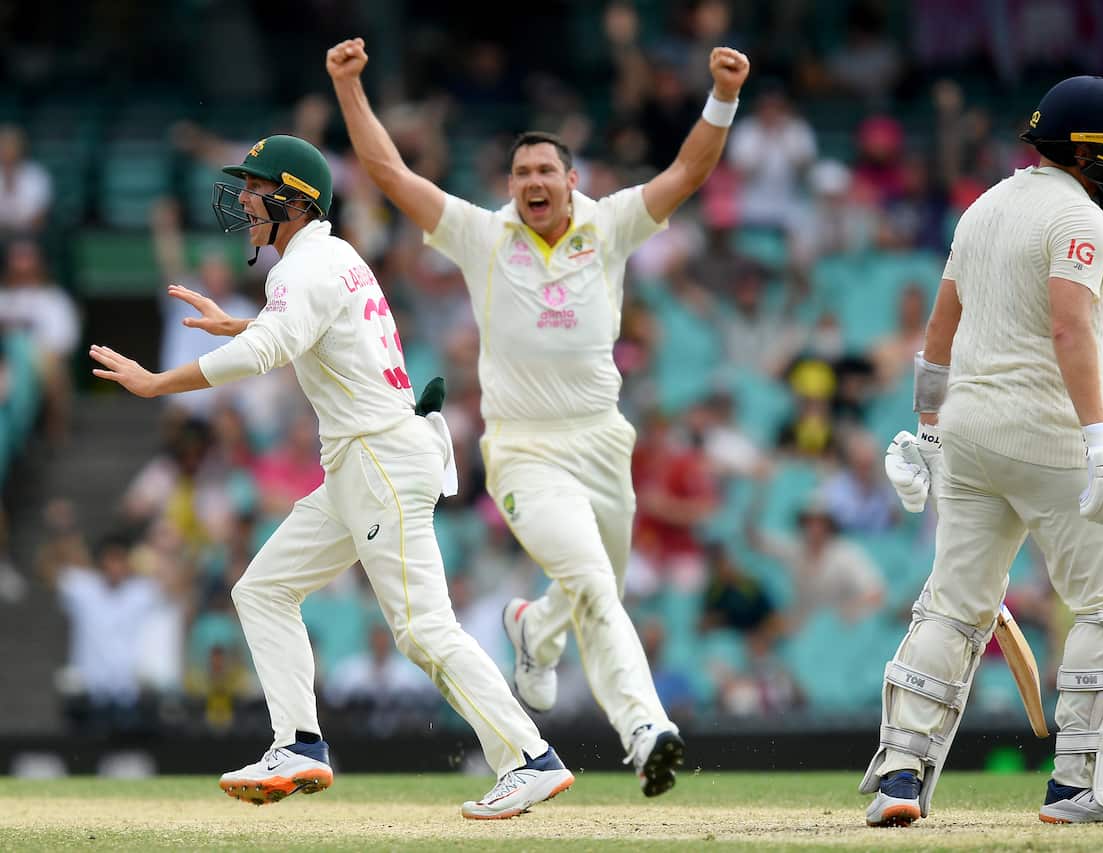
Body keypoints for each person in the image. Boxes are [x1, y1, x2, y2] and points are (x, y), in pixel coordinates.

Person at [88, 135, 573, 819]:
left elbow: (269, 349)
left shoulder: (302, 268)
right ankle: (299, 743)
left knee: (422, 630)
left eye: (257, 188)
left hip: (377, 460)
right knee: (262, 590)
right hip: (362, 463)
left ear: (294, 201)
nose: (244, 201)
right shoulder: (334, 256)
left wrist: (156, 381)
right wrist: (243, 324)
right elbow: (305, 329)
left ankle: (529, 757)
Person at [328, 36, 750, 796]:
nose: (533, 182)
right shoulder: (483, 235)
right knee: (593, 582)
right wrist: (350, 87)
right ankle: (646, 729)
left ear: (570, 180)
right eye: (521, 173)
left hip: (604, 441)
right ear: (510, 185)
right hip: (524, 451)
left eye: (545, 171)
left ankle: (535, 627)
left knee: (597, 586)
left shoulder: (609, 224)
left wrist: (722, 95)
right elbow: (390, 175)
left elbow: (688, 172)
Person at [862, 77, 1103, 826]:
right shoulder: (1079, 215)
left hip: (969, 433)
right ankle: (1078, 787)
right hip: (1047, 432)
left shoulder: (983, 206)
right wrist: (1099, 438)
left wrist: (929, 431)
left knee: (953, 603)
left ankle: (899, 775)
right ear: (1085, 151)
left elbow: (938, 334)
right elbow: (1069, 327)